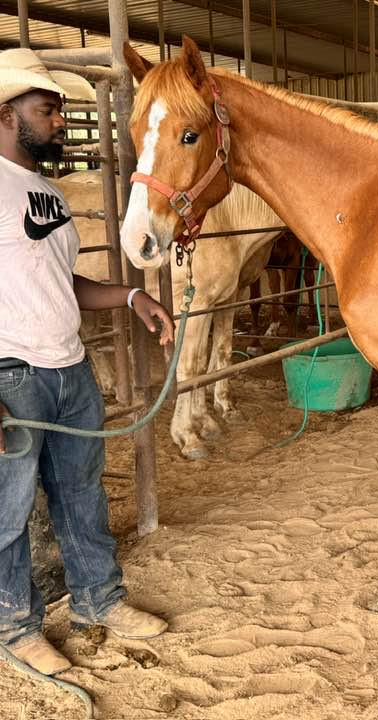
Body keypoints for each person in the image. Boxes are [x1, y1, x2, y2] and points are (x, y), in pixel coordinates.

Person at [0, 48, 175, 676]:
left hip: (69, 368)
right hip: (12, 374)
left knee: (81, 492)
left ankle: (99, 599)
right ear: (6, 114)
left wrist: (129, 297)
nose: (61, 122)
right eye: (47, 111)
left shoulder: (45, 191)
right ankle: (16, 627)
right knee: (7, 510)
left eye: (60, 111)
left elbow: (59, 281)